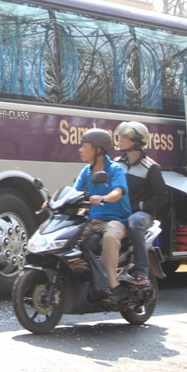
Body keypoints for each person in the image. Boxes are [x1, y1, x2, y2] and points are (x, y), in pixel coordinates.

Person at [74, 128, 132, 302]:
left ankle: (111, 284)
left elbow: (118, 192)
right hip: (93, 220)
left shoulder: (115, 169)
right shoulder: (86, 171)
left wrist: (104, 198)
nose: (80, 149)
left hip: (116, 220)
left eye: (84, 146)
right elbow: (74, 192)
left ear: (98, 149)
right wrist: (53, 201)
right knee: (70, 239)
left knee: (110, 238)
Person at [114, 121, 169, 286]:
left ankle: (142, 271)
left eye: (125, 136)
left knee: (135, 221)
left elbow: (162, 197)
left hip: (142, 215)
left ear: (137, 141)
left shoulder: (151, 168)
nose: (120, 139)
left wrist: (138, 206)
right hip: (119, 211)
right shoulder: (116, 163)